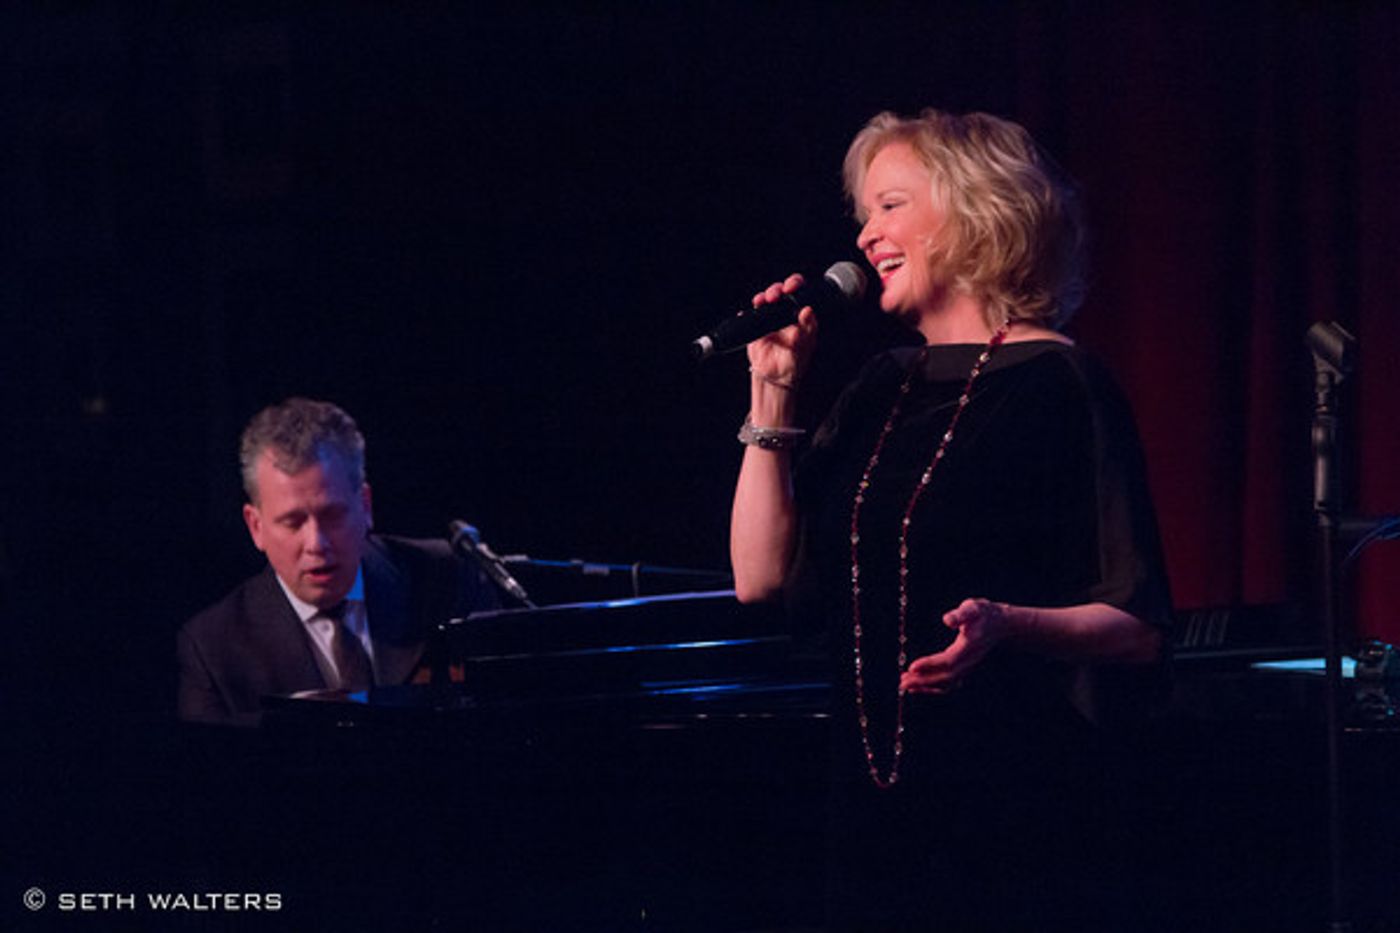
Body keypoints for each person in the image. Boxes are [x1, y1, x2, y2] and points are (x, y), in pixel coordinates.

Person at [729, 110, 1172, 931]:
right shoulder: (880, 386)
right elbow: (759, 581)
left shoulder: (1062, 384)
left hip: (1014, 807)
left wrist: (1008, 623)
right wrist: (774, 390)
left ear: (975, 213)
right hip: (867, 804)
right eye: (864, 213)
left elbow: (1138, 627)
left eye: (890, 206)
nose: (865, 235)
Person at [177, 397, 498, 726]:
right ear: (255, 527)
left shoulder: (450, 579)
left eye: (332, 516)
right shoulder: (213, 650)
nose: (316, 544)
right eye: (292, 522)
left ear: (365, 506)